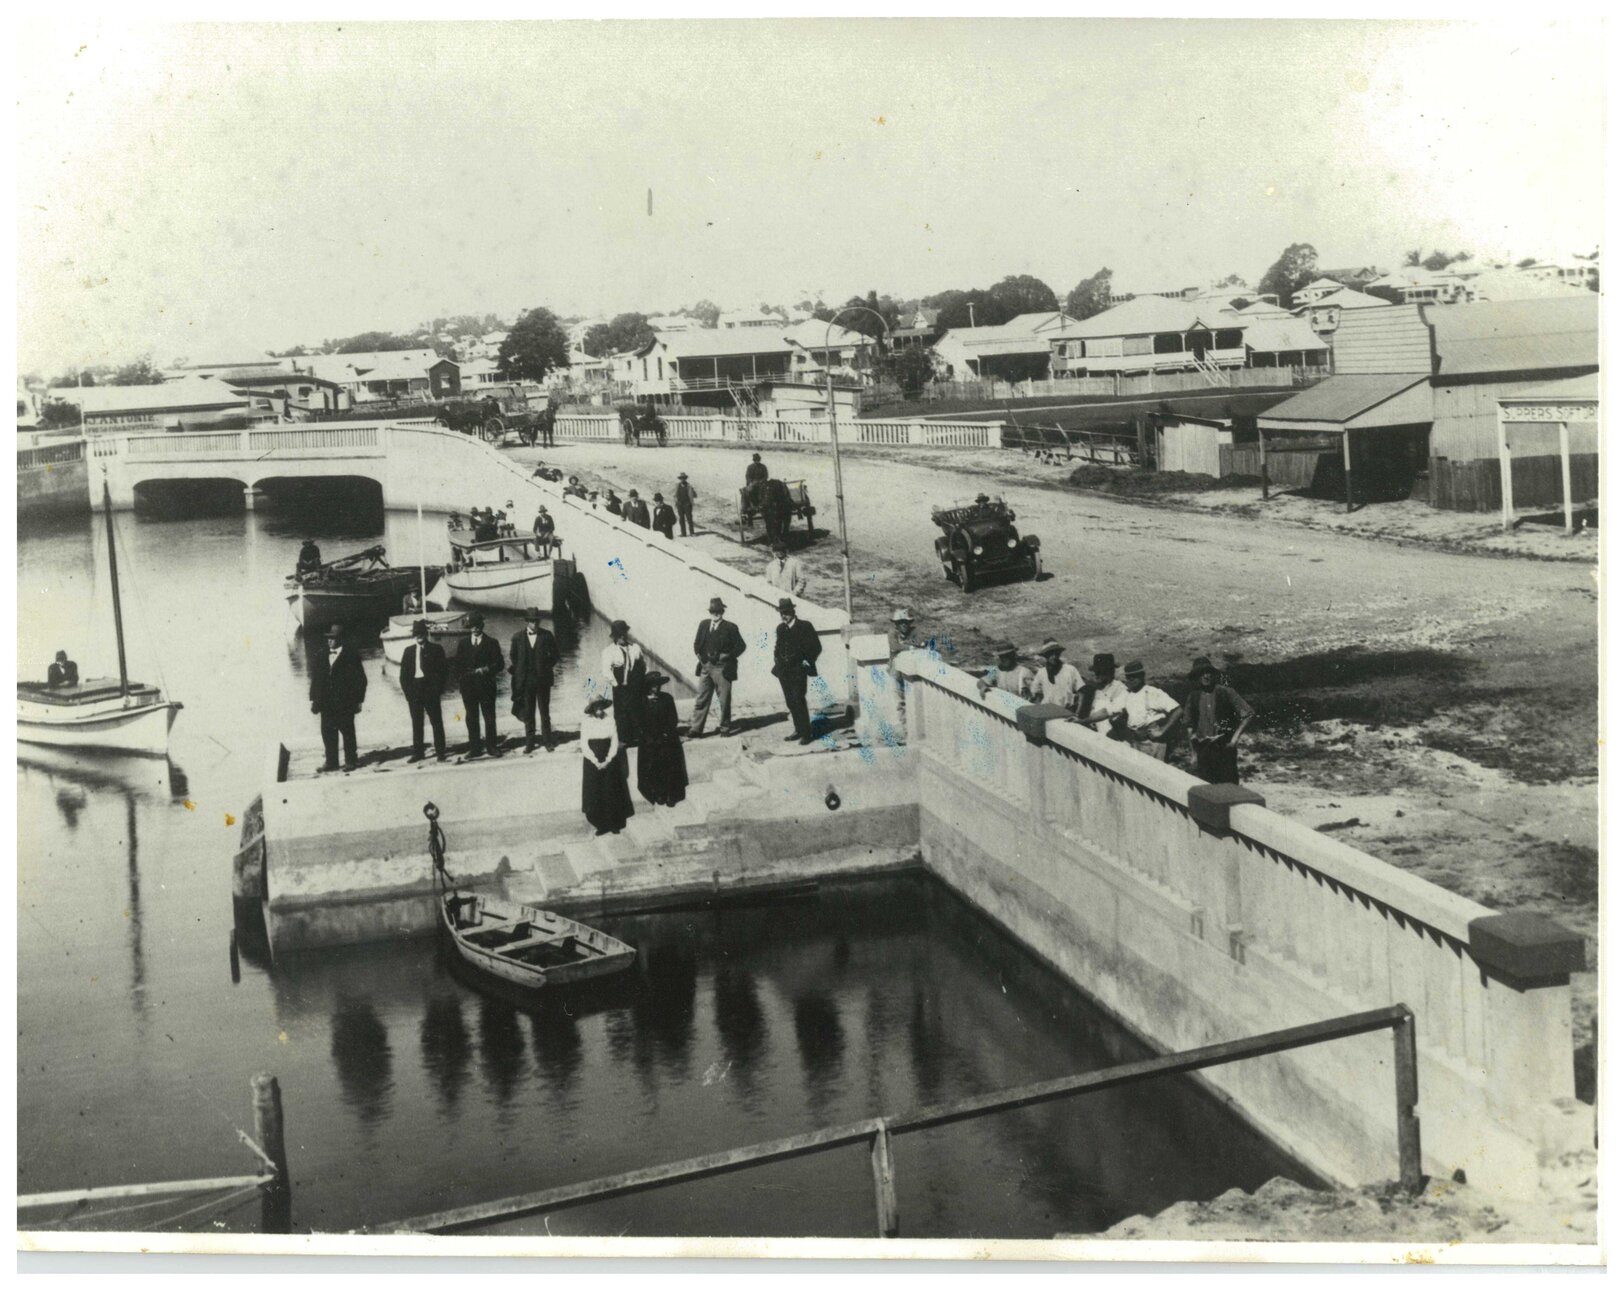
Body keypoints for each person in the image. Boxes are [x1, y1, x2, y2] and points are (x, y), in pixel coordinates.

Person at [1181, 656, 1255, 785]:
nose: (1206, 676)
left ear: (1213, 674)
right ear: (1196, 677)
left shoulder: (1226, 692)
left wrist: (1234, 739)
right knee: (1207, 788)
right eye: (1201, 673)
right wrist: (1194, 754)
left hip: (1224, 748)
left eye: (1208, 672)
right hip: (1203, 749)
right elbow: (1189, 727)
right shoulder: (1193, 697)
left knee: (1228, 787)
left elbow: (1248, 714)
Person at [310, 624, 367, 773]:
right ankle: (331, 761)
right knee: (328, 733)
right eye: (328, 638)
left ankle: (351, 760)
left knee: (347, 732)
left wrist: (358, 700)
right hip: (326, 704)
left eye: (333, 638)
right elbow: (316, 679)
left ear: (340, 639)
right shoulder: (322, 655)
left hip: (345, 703)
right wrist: (314, 700)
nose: (329, 641)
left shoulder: (351, 656)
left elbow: (361, 680)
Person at [689, 596, 746, 738]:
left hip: (722, 668)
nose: (716, 613)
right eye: (713, 611)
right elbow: (696, 643)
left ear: (722, 612)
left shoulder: (731, 627)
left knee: (724, 701)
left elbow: (741, 646)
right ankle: (696, 729)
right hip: (705, 667)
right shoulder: (703, 624)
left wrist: (727, 656)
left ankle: (725, 728)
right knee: (701, 698)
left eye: (718, 611)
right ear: (709, 612)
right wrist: (700, 657)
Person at [1106, 661, 1181, 762]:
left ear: (1142, 676)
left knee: (1155, 769)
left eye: (1134, 676)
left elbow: (1178, 710)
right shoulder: (1127, 694)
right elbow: (1108, 711)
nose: (1131, 680)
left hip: (1153, 742)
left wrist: (1162, 730)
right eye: (1128, 677)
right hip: (1136, 741)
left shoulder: (1153, 692)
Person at [580, 696, 633, 836]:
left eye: (601, 706)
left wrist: (608, 760)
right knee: (595, 791)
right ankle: (601, 825)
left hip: (608, 757)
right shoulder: (586, 722)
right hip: (592, 760)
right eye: (596, 707)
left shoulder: (610, 720)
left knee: (610, 790)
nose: (599, 709)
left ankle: (614, 824)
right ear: (592, 709)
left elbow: (614, 741)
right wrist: (596, 761)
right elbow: (584, 744)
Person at [772, 597, 822, 745]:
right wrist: (777, 659)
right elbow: (778, 647)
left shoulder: (805, 626)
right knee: (790, 701)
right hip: (784, 671)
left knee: (798, 699)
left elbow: (816, 646)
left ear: (793, 611)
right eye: (781, 613)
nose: (784, 616)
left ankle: (806, 733)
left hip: (798, 670)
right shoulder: (780, 628)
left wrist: (808, 660)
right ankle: (798, 729)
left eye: (786, 612)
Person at [509, 608, 559, 753]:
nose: (535, 624)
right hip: (526, 682)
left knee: (544, 712)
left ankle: (547, 741)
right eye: (532, 621)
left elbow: (555, 655)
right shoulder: (517, 637)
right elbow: (513, 657)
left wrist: (545, 668)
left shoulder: (547, 635)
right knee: (529, 713)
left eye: (537, 621)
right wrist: (521, 671)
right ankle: (530, 743)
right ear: (527, 621)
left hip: (543, 681)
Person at [398, 619, 448, 762]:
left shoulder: (436, 649)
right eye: (416, 634)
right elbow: (403, 676)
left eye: (421, 633)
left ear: (426, 634)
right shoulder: (408, 651)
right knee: (417, 723)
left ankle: (440, 752)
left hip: (430, 690)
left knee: (436, 722)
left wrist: (437, 690)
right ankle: (418, 753)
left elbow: (443, 672)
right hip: (415, 691)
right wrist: (408, 693)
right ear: (413, 636)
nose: (419, 636)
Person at [455, 613, 504, 758]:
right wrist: (462, 680)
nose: (475, 629)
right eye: (472, 626)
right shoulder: (463, 643)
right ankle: (474, 748)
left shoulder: (492, 642)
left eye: (477, 626)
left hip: (486, 686)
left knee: (489, 717)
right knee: (471, 718)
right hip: (468, 687)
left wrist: (487, 669)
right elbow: (457, 665)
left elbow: (500, 664)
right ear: (469, 627)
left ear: (482, 626)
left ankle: (491, 747)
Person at [636, 673, 689, 806]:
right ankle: (658, 793)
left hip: (666, 737)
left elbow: (673, 719)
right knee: (652, 763)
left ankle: (671, 795)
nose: (657, 688)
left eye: (658, 685)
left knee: (668, 761)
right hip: (648, 739)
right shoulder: (641, 701)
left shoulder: (667, 698)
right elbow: (639, 723)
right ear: (648, 687)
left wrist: (665, 734)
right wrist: (649, 737)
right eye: (654, 685)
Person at [601, 620, 646, 747]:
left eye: (624, 634)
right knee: (621, 712)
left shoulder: (635, 648)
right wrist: (616, 684)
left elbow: (643, 665)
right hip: (620, 685)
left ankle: (637, 736)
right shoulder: (609, 651)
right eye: (619, 635)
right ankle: (624, 738)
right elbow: (606, 671)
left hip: (634, 683)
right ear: (615, 636)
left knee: (636, 708)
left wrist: (640, 680)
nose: (622, 637)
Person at [1030, 640, 1085, 713]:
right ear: (1046, 656)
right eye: (1050, 654)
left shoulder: (1070, 669)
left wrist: (1077, 713)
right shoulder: (1041, 673)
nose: (1054, 656)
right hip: (1047, 711)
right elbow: (1036, 693)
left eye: (1056, 653)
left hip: (1067, 711)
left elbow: (1082, 691)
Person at [1077, 653, 1128, 730]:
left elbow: (1109, 711)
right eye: (1096, 672)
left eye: (1100, 672)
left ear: (1110, 672)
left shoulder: (1120, 688)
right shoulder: (1092, 689)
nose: (1097, 675)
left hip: (1110, 732)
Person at [674, 473, 697, 537]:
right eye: (681, 478)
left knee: (689, 519)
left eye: (683, 478)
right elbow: (675, 494)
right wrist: (676, 502)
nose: (682, 479)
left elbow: (695, 495)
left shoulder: (689, 486)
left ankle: (692, 533)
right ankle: (683, 533)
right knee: (681, 519)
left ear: (685, 479)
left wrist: (692, 491)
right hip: (680, 505)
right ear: (680, 479)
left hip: (687, 505)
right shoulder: (677, 485)